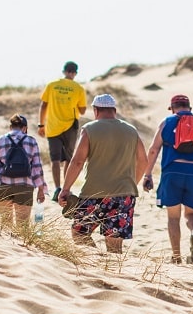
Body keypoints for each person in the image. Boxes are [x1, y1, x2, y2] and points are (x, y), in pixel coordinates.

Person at [59, 93, 148, 254]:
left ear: (96, 110)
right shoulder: (131, 130)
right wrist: (132, 183)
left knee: (79, 233)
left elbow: (77, 161)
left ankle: (97, 263)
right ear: (114, 110)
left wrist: (65, 189)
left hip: (94, 193)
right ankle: (112, 273)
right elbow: (143, 161)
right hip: (124, 195)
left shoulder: (90, 129)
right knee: (114, 245)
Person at [142, 94, 193, 264]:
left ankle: (176, 256)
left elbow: (153, 150)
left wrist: (147, 174)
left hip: (172, 172)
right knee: (191, 213)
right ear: (189, 108)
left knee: (173, 217)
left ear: (172, 108)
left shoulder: (166, 122)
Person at [0, 114, 47, 228]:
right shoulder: (31, 141)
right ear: (24, 128)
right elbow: (37, 168)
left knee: (5, 225)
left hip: (3, 186)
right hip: (24, 187)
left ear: (10, 127)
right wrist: (41, 189)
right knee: (23, 226)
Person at [39, 60, 88, 198]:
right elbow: (83, 110)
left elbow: (43, 105)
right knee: (68, 158)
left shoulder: (52, 85)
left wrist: (41, 124)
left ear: (64, 71)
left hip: (53, 126)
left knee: (55, 159)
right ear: (75, 73)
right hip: (70, 127)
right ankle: (66, 189)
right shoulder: (78, 88)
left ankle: (57, 188)